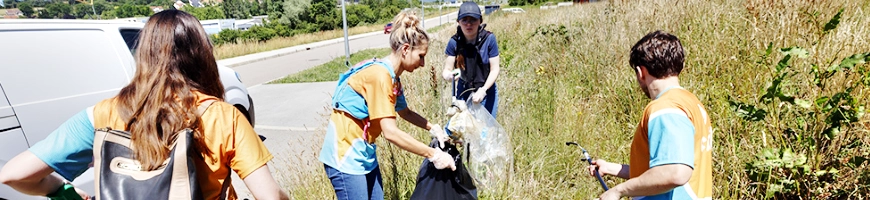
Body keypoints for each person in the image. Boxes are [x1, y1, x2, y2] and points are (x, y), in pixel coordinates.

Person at [0, 10, 289, 200]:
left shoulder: (104, 113)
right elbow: (270, 196)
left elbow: (13, 175)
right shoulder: (222, 117)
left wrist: (64, 191)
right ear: (202, 55)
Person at [318, 10, 455, 200]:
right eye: (421, 56)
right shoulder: (380, 76)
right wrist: (433, 154)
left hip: (365, 155)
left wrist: (433, 128)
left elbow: (405, 112)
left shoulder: (393, 78)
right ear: (406, 50)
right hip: (345, 158)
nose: (423, 63)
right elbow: (390, 133)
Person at [588, 31, 713, 200]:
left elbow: (675, 172)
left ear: (641, 72)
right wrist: (611, 168)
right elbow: (660, 169)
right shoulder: (691, 103)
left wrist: (618, 191)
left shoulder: (665, 108)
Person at [441, 1, 501, 117]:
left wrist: (483, 90)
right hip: (463, 92)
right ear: (458, 22)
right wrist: (449, 76)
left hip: (486, 91)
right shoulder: (454, 42)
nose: (469, 24)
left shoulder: (489, 39)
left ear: (480, 21)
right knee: (462, 130)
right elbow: (447, 70)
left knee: (485, 131)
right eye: (464, 20)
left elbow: (495, 69)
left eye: (473, 20)